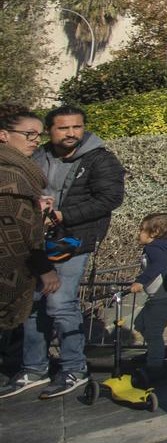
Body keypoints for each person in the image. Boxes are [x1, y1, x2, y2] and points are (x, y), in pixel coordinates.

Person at [34, 104, 126, 400]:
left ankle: (73, 367)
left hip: (73, 240)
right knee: (32, 304)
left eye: (77, 126)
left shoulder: (100, 159)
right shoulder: (38, 156)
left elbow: (110, 198)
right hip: (35, 239)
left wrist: (62, 215)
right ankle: (33, 366)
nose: (72, 133)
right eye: (64, 127)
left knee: (60, 302)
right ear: (51, 130)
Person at [0, 106, 59, 400]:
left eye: (39, 134)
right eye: (28, 134)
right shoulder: (12, 175)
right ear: (3, 135)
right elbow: (25, 236)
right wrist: (45, 268)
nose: (35, 140)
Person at [124, 213, 167, 389]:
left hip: (166, 298)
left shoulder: (154, 248)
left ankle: (155, 366)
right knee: (139, 323)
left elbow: (159, 265)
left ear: (155, 232)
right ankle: (157, 351)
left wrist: (141, 281)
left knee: (153, 331)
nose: (139, 233)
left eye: (141, 230)